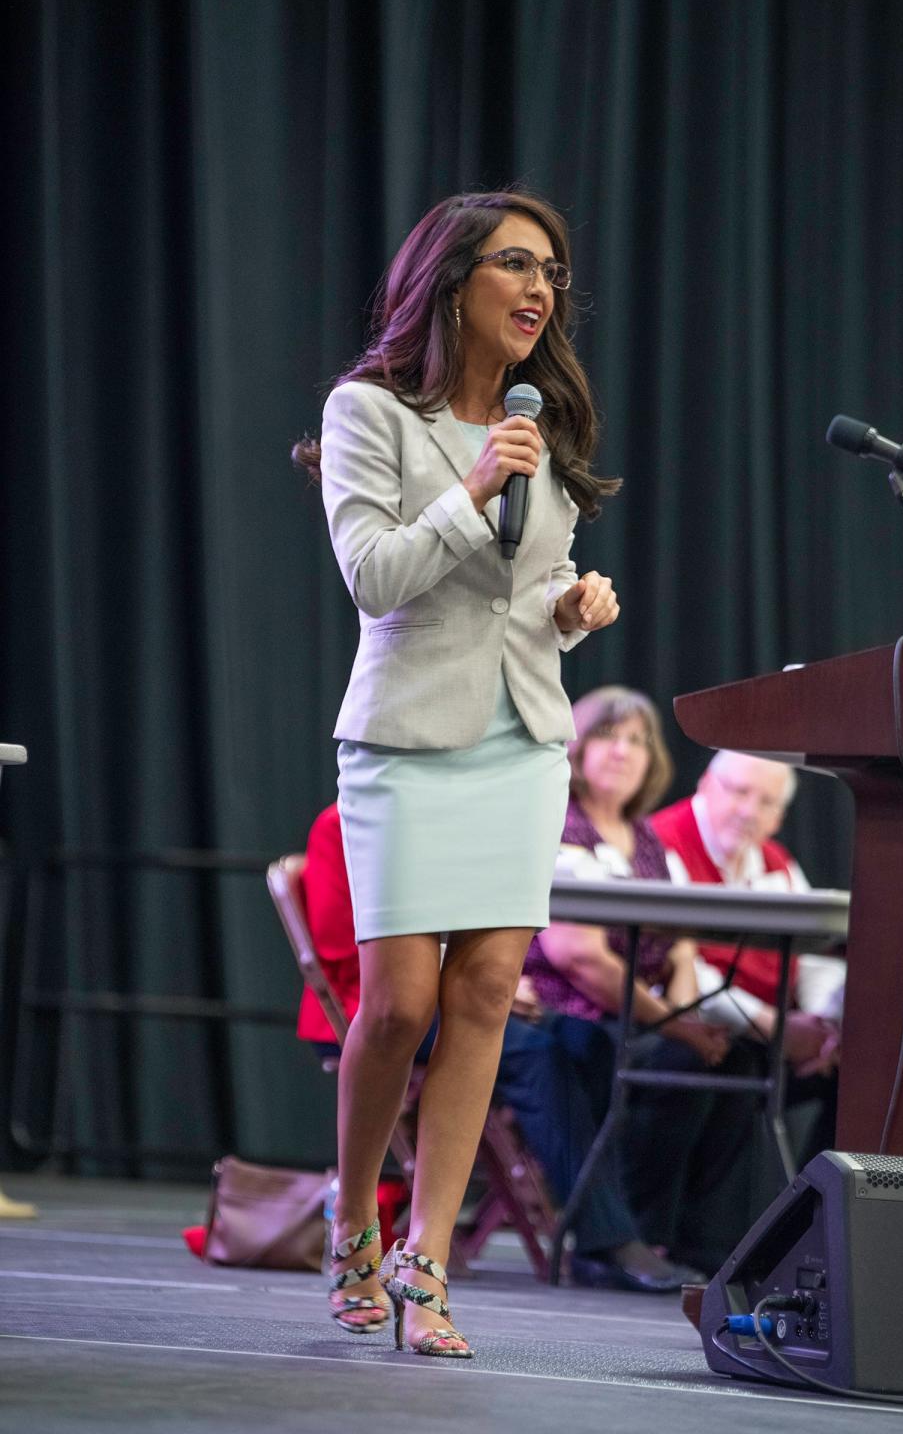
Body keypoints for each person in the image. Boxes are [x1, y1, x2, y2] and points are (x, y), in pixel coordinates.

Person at [293, 191, 620, 1356]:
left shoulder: (548, 425)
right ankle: (353, 1226)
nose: (542, 289)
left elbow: (523, 592)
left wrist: (576, 608)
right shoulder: (367, 411)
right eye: (517, 265)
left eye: (555, 274)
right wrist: (474, 483)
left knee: (486, 995)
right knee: (401, 1005)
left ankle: (428, 1265)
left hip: (523, 738)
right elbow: (377, 578)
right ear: (452, 281)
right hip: (404, 740)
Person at [298, 802, 697, 1293]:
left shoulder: (460, 818)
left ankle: (614, 1225)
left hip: (456, 996)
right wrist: (465, 986)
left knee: (592, 1042)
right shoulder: (347, 821)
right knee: (536, 1056)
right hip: (368, 1003)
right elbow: (344, 950)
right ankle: (609, 1238)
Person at [524, 686, 760, 1277]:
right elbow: (582, 959)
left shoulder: (648, 837)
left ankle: (696, 1242)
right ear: (576, 746)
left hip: (638, 1017)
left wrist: (687, 1019)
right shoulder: (558, 824)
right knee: (679, 1062)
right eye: (608, 736)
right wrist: (681, 1030)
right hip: (573, 1019)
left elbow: (681, 942)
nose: (623, 752)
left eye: (637, 741)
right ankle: (633, 1239)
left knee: (738, 1061)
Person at [650, 750, 845, 1158]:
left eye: (766, 802)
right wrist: (774, 1027)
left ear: (779, 818)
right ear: (705, 786)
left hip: (769, 1032)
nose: (749, 811)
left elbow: (814, 955)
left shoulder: (778, 863)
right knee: (733, 1069)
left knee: (860, 1073)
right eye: (739, 792)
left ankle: (820, 1209)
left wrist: (819, 1027)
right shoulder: (662, 845)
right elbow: (679, 969)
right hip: (691, 1027)